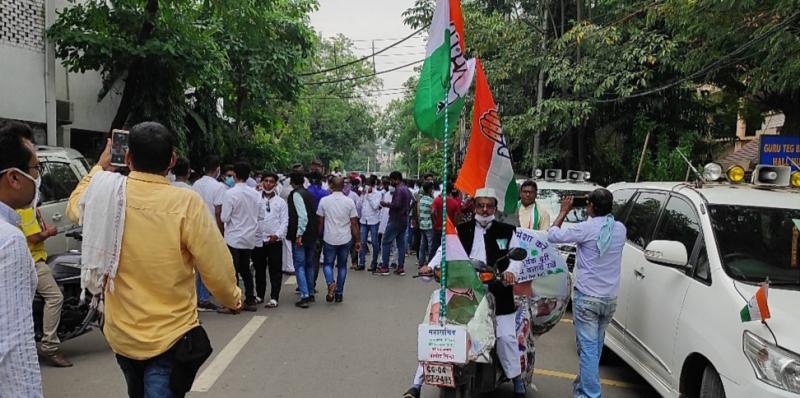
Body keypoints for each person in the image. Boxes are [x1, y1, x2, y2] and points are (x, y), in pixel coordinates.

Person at [67, 122, 242, 397]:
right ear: (172, 160)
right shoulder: (185, 203)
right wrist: (233, 298)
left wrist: (101, 166)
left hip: (122, 335)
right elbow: (216, 266)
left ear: (126, 158)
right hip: (170, 335)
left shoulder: (108, 196)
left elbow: (75, 205)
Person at [411, 188, 525, 398]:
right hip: (462, 291)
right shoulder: (460, 230)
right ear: (474, 206)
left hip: (497, 292)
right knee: (437, 333)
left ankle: (517, 380)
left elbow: (517, 260)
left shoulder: (507, 231)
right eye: (480, 205)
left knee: (506, 338)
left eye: (489, 205)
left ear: (495, 208)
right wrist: (430, 266)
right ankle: (416, 384)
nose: (484, 209)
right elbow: (442, 252)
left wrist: (509, 273)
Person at [548, 189, 625, 398]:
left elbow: (552, 235)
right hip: (609, 299)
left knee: (589, 350)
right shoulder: (619, 229)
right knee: (594, 348)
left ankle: (590, 394)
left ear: (590, 206)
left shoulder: (585, 228)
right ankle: (582, 390)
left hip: (588, 300)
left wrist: (564, 211)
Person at [0, 122, 43, 397]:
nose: (38, 178)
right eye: (35, 169)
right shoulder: (9, 241)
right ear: (14, 178)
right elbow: (15, 347)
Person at [17, 207, 73, 367]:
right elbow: (34, 237)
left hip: (30, 259)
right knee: (55, 298)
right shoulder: (25, 209)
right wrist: (50, 233)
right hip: (33, 261)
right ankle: (50, 346)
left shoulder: (29, 208)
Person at [220, 161, 264, 313]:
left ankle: (233, 303)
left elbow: (224, 217)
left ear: (235, 175)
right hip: (249, 238)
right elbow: (261, 215)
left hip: (233, 237)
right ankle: (250, 300)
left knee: (232, 272)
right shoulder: (255, 194)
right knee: (246, 270)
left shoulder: (230, 194)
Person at [191, 155, 228, 311]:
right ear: (218, 169)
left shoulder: (196, 184)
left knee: (198, 264)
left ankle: (200, 295)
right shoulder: (218, 187)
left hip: (196, 227)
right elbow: (219, 212)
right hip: (211, 228)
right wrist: (221, 232)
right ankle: (204, 298)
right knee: (207, 265)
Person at [316, 177, 360, 303]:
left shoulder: (324, 201)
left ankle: (330, 283)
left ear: (331, 186)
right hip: (345, 238)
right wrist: (358, 240)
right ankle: (339, 293)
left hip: (329, 238)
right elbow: (354, 223)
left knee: (328, 264)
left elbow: (320, 221)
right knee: (342, 266)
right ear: (343, 186)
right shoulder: (349, 202)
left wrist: (318, 237)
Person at [252, 173, 288, 308]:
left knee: (275, 270)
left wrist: (277, 235)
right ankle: (260, 295)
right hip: (258, 240)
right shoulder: (255, 199)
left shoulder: (280, 202)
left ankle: (274, 297)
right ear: (261, 183)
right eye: (265, 181)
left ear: (275, 184)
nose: (268, 184)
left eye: (271, 182)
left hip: (274, 241)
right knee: (259, 269)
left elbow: (285, 221)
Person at [287, 172, 319, 308]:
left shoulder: (296, 194)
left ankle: (304, 295)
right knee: (309, 264)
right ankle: (310, 292)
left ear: (291, 182)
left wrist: (299, 234)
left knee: (299, 265)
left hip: (301, 235)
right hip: (312, 234)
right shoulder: (309, 194)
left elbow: (303, 216)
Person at [379, 171, 412, 276]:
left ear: (396, 179)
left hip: (395, 219)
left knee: (386, 242)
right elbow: (412, 201)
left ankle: (384, 267)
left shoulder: (399, 190)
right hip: (403, 219)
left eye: (391, 180)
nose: (390, 182)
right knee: (401, 244)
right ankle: (400, 267)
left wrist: (386, 204)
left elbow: (396, 204)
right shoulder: (406, 189)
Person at [357, 176, 382, 272]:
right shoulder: (364, 194)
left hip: (373, 221)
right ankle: (361, 262)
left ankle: (374, 263)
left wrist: (369, 196)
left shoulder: (378, 194)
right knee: (362, 242)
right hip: (364, 220)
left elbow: (375, 206)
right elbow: (358, 205)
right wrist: (362, 195)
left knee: (375, 243)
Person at [431, 187, 462, 256]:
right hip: (449, 229)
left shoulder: (437, 200)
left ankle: (431, 264)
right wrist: (454, 226)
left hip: (438, 228)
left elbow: (432, 212)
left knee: (435, 248)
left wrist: (434, 222)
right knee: (447, 249)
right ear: (450, 192)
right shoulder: (454, 202)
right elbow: (457, 216)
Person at [416, 182, 435, 266]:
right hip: (429, 224)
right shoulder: (431, 200)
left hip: (422, 224)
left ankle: (421, 261)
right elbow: (433, 212)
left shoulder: (421, 199)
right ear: (430, 190)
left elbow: (418, 212)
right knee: (431, 244)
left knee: (422, 244)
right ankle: (431, 262)